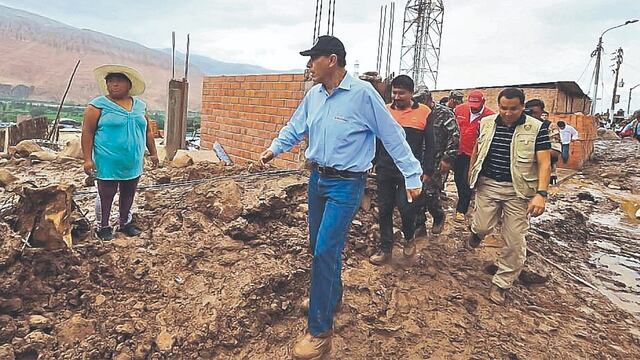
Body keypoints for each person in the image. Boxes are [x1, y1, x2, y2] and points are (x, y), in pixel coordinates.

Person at [259, 35, 423, 359]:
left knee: (324, 250)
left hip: (347, 185)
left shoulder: (363, 95)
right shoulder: (314, 96)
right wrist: (275, 147)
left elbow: (393, 135)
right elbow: (296, 126)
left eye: (313, 58)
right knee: (317, 246)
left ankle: (319, 331)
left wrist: (412, 174)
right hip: (317, 179)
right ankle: (330, 296)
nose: (309, 65)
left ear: (331, 60)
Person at [466, 88, 551, 305]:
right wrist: (470, 176)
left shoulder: (537, 128)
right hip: (488, 185)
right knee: (483, 226)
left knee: (515, 240)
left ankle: (501, 283)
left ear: (522, 107)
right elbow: (477, 148)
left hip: (519, 191)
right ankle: (477, 233)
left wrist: (541, 194)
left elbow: (544, 162)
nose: (508, 112)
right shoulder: (487, 123)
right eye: (503, 108)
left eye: (513, 108)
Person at [81, 65, 159, 241]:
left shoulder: (140, 106)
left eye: (119, 81)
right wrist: (87, 159)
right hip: (107, 160)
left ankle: (125, 222)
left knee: (129, 192)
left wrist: (153, 152)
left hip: (133, 160)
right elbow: (87, 132)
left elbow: (147, 130)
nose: (114, 85)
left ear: (129, 85)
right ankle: (104, 226)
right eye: (110, 82)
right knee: (106, 194)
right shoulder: (97, 106)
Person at [369, 75, 429, 266]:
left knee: (406, 207)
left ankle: (409, 237)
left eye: (401, 93)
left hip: (409, 172)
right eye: (394, 92)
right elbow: (377, 139)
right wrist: (373, 160)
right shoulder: (384, 111)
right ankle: (385, 248)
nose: (396, 96)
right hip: (386, 168)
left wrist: (427, 170)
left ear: (411, 93)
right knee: (385, 208)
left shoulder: (424, 112)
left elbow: (431, 144)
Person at [413, 86, 460, 235]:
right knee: (416, 193)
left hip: (437, 160)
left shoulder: (444, 113)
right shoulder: (415, 112)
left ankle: (438, 215)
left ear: (429, 99)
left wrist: (447, 159)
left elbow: (454, 136)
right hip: (418, 159)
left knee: (430, 193)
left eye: (422, 102)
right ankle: (419, 225)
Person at [453, 90, 495, 222]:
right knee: (457, 178)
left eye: (476, 105)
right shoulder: (459, 110)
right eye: (471, 104)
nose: (473, 108)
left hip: (473, 154)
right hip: (457, 151)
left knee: (467, 179)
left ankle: (461, 209)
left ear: (483, 102)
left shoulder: (490, 116)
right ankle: (465, 197)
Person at [525, 99, 560, 184]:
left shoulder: (549, 126)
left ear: (542, 112)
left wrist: (530, 149)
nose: (532, 116)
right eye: (530, 113)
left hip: (542, 172)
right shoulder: (521, 126)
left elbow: (555, 152)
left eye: (535, 113)